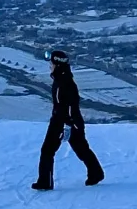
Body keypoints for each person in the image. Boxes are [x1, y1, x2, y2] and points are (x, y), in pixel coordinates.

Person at [31, 48, 104, 190]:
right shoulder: (61, 79)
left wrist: (68, 125)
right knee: (81, 149)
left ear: (57, 65)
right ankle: (96, 173)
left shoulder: (64, 82)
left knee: (47, 150)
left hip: (63, 122)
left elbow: (71, 105)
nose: (49, 66)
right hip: (67, 121)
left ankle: (45, 182)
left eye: (51, 63)